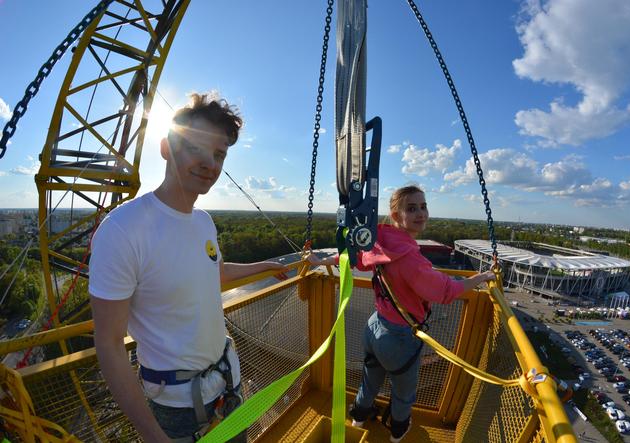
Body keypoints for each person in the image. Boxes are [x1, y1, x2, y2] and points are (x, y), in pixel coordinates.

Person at [89, 92, 287, 442]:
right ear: (165, 147)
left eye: (219, 154)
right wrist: (152, 435)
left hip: (227, 383)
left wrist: (268, 265)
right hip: (178, 407)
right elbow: (108, 344)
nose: (210, 163)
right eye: (196, 147)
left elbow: (217, 273)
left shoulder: (203, 222)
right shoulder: (121, 230)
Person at [308, 185, 495, 443]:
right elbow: (447, 290)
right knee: (403, 393)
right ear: (396, 216)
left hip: (375, 327)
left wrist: (319, 261)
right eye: (411, 208)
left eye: (423, 206)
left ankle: (358, 418)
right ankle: (397, 433)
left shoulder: (379, 242)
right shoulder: (410, 258)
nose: (421, 213)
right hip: (398, 338)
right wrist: (482, 277)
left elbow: (350, 258)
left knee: (370, 379)